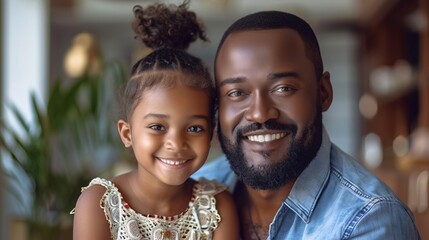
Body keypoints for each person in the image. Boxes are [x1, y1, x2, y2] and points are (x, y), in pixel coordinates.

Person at [192, 10, 421, 239]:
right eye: (237, 92)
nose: (260, 114)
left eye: (284, 88)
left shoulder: (369, 220)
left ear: (323, 93)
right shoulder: (193, 190)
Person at [72, 1, 239, 239]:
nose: (176, 143)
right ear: (127, 134)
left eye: (194, 128)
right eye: (158, 126)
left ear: (211, 133)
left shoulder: (217, 206)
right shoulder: (100, 204)